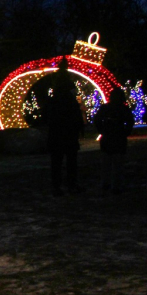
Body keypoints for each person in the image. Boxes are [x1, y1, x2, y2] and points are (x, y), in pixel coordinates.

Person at [44, 61, 84, 196]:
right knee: (70, 161)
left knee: (57, 162)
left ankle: (57, 186)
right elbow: (76, 117)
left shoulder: (53, 100)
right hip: (68, 135)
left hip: (57, 136)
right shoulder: (70, 101)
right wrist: (79, 129)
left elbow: (48, 118)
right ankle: (70, 184)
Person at [93, 87, 134, 193]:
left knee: (106, 162)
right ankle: (116, 184)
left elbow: (97, 119)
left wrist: (101, 130)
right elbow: (130, 121)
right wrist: (126, 132)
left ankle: (106, 183)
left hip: (108, 136)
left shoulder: (106, 108)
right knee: (118, 162)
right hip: (119, 136)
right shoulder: (123, 108)